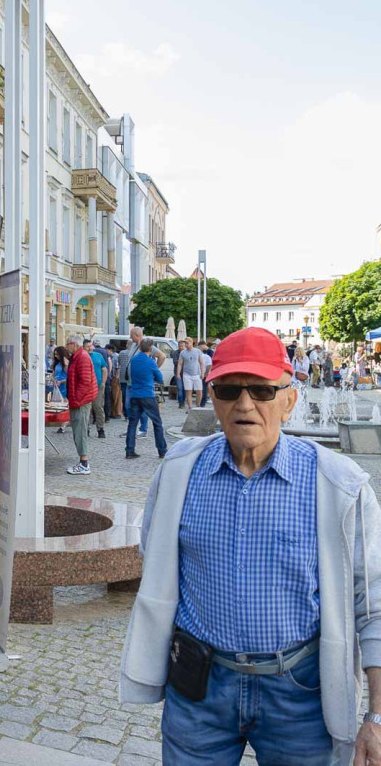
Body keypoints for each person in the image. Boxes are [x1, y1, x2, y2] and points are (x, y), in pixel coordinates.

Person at [119, 327, 381, 765]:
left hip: (300, 694)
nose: (244, 404)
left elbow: (373, 605)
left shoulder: (338, 485)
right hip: (199, 688)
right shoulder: (180, 471)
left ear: (289, 399)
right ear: (212, 396)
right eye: (228, 389)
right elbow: (155, 556)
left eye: (261, 390)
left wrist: (376, 716)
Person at [119, 326, 167, 438]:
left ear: (137, 335)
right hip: (130, 382)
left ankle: (143, 429)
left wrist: (154, 370)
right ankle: (132, 429)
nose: (130, 337)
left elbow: (162, 356)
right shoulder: (134, 345)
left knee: (142, 407)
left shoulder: (146, 346)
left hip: (140, 384)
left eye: (131, 335)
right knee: (129, 406)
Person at [124, 338, 167, 460]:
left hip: (135, 394)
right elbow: (159, 378)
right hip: (147, 395)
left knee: (132, 423)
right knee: (157, 423)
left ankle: (129, 450)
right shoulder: (150, 362)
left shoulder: (134, 359)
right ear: (151, 348)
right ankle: (162, 450)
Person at [65, 335, 98, 475]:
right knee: (79, 431)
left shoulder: (82, 357)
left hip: (81, 401)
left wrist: (76, 400)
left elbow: (85, 382)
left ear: (74, 344)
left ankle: (84, 464)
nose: (66, 347)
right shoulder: (77, 357)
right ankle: (83, 462)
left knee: (80, 431)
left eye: (68, 344)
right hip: (79, 400)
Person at [84, 338, 108, 439]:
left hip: (98, 386)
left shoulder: (98, 356)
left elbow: (104, 369)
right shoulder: (82, 357)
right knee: (87, 409)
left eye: (91, 346)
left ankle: (100, 429)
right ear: (83, 348)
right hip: (86, 387)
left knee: (98, 407)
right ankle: (87, 429)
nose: (90, 348)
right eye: (87, 346)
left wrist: (103, 382)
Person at [176, 337, 206, 411]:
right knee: (188, 391)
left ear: (191, 343)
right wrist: (178, 373)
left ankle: (198, 405)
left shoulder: (197, 351)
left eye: (187, 343)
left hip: (197, 373)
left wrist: (202, 373)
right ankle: (190, 407)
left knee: (199, 391)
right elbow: (180, 363)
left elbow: (201, 362)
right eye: (185, 343)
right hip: (187, 374)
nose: (186, 345)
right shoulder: (183, 352)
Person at [51, 346, 70, 433]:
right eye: (55, 354)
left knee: (65, 405)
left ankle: (63, 425)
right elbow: (53, 374)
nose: (56, 356)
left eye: (57, 354)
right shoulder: (56, 363)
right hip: (57, 386)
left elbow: (70, 376)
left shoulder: (65, 363)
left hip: (64, 386)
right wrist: (53, 380)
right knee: (59, 405)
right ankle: (62, 423)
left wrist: (61, 381)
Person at [198, 340, 213, 408]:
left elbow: (210, 364)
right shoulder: (205, 352)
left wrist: (207, 372)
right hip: (204, 372)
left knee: (204, 387)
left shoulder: (210, 352)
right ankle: (202, 401)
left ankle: (203, 401)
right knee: (203, 387)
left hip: (208, 372)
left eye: (200, 347)